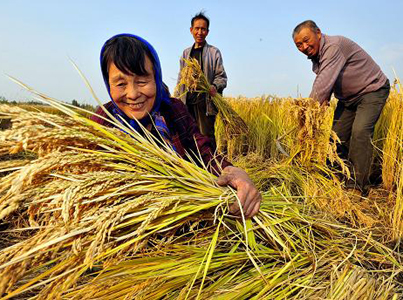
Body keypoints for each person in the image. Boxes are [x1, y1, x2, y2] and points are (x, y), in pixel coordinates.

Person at [91, 33, 261, 218]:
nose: (132, 94)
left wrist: (233, 172)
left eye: (142, 81)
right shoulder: (102, 124)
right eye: (121, 83)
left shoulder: (173, 111)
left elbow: (204, 153)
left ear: (156, 78)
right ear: (108, 84)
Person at [292, 20, 390, 196]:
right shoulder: (317, 57)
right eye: (299, 45)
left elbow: (323, 83)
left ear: (319, 33)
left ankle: (357, 187)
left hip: (372, 90)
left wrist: (308, 112)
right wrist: (322, 103)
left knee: (360, 133)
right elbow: (327, 82)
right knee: (335, 137)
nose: (304, 47)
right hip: (348, 99)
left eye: (307, 40)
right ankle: (334, 179)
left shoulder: (334, 47)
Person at [176, 11, 227, 143]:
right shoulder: (186, 53)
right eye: (197, 28)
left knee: (206, 136)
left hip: (206, 104)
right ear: (191, 30)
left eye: (203, 29)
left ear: (207, 32)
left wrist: (214, 86)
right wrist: (176, 99)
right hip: (188, 103)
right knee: (189, 136)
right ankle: (194, 163)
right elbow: (181, 79)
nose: (200, 32)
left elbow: (221, 77)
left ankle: (212, 163)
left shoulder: (213, 52)